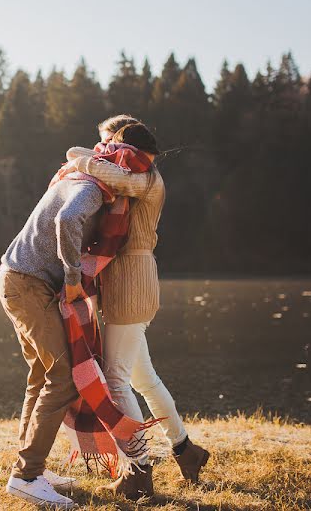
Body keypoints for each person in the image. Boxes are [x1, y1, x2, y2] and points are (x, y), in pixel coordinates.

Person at [61, 116, 210, 500]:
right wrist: (92, 154)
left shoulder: (145, 179)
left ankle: (138, 471)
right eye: (104, 147)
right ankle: (186, 450)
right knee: (144, 380)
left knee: (115, 379)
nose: (107, 153)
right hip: (128, 282)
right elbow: (82, 155)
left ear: (127, 145)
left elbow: (94, 166)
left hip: (131, 283)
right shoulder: (129, 170)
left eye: (111, 144)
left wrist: (85, 161)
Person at [0, 165, 105, 509]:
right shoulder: (93, 187)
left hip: (15, 278)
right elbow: (67, 219)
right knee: (63, 379)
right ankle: (27, 476)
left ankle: (30, 468)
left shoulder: (73, 178)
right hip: (29, 284)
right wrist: (73, 276)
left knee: (42, 375)